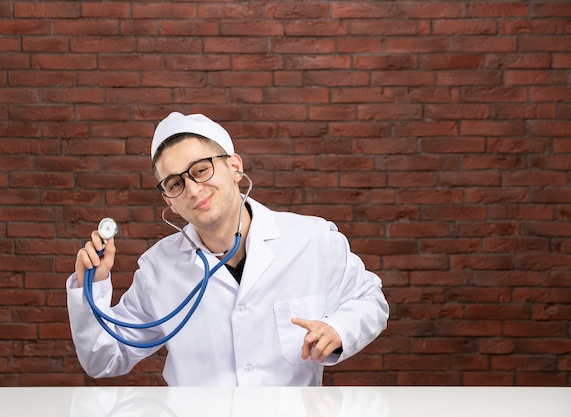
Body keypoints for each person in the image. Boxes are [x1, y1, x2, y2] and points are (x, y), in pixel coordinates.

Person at [66, 112, 389, 386]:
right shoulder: (158, 267)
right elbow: (103, 358)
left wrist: (339, 329)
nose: (193, 189)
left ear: (234, 167)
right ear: (169, 201)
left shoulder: (312, 239)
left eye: (201, 169)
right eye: (175, 184)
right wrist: (91, 286)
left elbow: (370, 300)